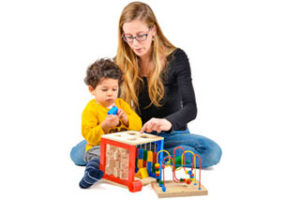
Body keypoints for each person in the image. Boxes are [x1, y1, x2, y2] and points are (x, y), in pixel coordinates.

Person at [70, 1, 222, 169]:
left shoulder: (177, 58)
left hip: (171, 134)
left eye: (141, 35)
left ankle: (140, 158)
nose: (135, 43)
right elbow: (115, 104)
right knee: (77, 154)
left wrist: (167, 122)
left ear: (153, 30)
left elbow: (190, 108)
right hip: (136, 135)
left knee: (211, 152)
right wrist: (109, 122)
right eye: (129, 36)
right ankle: (146, 157)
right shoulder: (119, 63)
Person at [78, 58, 142, 188]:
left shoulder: (121, 104)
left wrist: (126, 119)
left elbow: (138, 125)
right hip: (99, 148)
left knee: (137, 153)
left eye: (114, 89)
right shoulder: (91, 109)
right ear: (92, 90)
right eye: (105, 89)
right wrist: (104, 126)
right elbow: (89, 136)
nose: (110, 94)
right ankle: (90, 174)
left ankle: (132, 170)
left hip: (121, 149)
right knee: (98, 157)